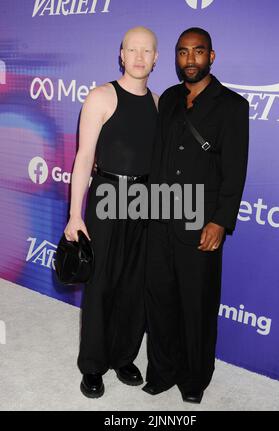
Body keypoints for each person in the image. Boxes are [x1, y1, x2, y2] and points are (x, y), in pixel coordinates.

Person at [143, 27, 249, 404]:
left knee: (196, 304)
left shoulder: (232, 106)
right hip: (159, 217)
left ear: (211, 56)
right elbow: (157, 158)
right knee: (160, 298)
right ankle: (161, 370)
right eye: (183, 53)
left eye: (198, 52)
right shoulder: (169, 98)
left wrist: (220, 220)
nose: (190, 60)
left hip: (201, 223)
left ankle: (193, 379)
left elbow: (235, 171)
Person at [64, 26, 159, 398]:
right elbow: (84, 157)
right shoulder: (101, 96)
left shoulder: (157, 103)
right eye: (132, 49)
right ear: (121, 54)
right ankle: (92, 365)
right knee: (101, 282)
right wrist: (75, 215)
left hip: (147, 198)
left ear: (155, 57)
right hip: (107, 193)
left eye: (146, 50)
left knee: (135, 283)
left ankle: (123, 356)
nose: (138, 56)